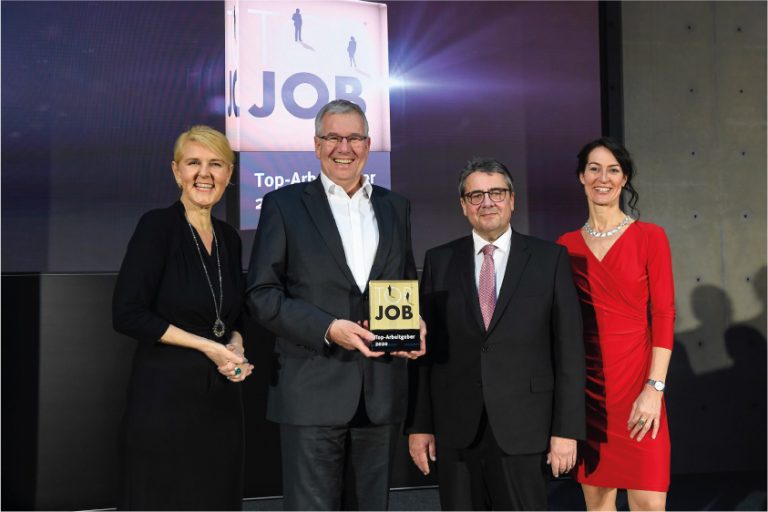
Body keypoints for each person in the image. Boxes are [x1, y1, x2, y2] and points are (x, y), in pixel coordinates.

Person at [245, 99, 426, 510]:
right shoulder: (285, 205)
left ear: (368, 144)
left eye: (354, 138)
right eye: (332, 137)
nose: (343, 147)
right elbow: (262, 294)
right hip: (311, 391)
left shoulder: (395, 206)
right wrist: (328, 328)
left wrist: (416, 320)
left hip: (380, 392)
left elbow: (403, 282)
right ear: (316, 144)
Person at [407, 157, 586, 510]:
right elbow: (424, 355)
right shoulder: (438, 261)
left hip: (525, 427)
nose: (487, 202)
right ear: (463, 205)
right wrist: (419, 426)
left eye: (496, 193)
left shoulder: (550, 259)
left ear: (512, 199)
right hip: (456, 428)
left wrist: (566, 430)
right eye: (475, 195)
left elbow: (569, 352)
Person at [112, 125, 253, 510]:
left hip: (221, 402)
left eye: (216, 164)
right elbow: (127, 314)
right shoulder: (156, 227)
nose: (204, 174)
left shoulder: (229, 237)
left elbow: (232, 314)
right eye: (194, 163)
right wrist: (209, 346)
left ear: (230, 174)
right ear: (176, 171)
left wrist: (235, 347)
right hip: (164, 403)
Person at [556, 137, 675, 511]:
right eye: (594, 168)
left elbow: (664, 315)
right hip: (590, 394)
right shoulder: (565, 245)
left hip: (641, 389)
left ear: (624, 179)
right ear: (581, 177)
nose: (602, 178)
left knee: (649, 504)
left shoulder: (650, 237)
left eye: (613, 170)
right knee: (598, 504)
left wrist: (654, 389)